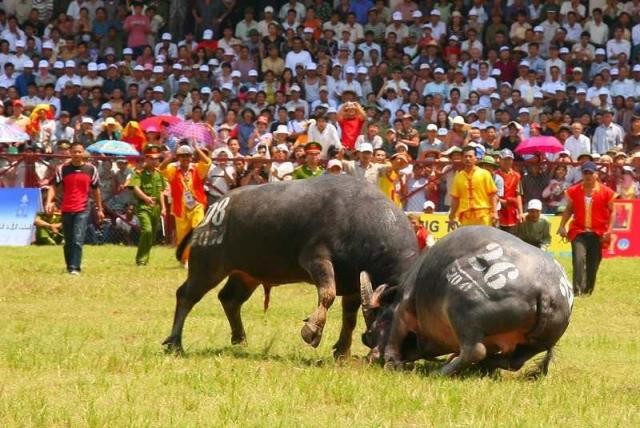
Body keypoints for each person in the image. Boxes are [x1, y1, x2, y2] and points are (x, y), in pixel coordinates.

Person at [557, 161, 616, 296]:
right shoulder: (574, 191)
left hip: (598, 233)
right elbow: (569, 210)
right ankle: (576, 290)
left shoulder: (606, 192)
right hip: (579, 231)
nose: (588, 175)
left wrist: (610, 230)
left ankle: (588, 290)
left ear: (596, 174)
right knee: (578, 259)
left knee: (593, 263)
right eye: (585, 173)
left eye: (591, 172)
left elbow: (614, 212)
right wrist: (561, 226)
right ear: (582, 174)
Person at [45, 142, 104, 275]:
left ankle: (75, 268)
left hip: (83, 208)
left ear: (83, 153)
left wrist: (100, 209)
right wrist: (49, 201)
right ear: (70, 153)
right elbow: (53, 186)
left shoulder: (91, 169)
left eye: (79, 152)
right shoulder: (62, 169)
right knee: (69, 240)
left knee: (78, 238)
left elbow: (96, 190)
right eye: (74, 152)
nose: (77, 154)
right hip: (66, 208)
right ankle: (69, 265)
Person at [160, 143, 211, 266]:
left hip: (196, 204)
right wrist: (171, 156)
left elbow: (208, 162)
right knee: (183, 237)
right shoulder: (173, 170)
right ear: (178, 157)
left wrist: (198, 149)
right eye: (182, 156)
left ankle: (197, 256)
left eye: (187, 156)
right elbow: (161, 168)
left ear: (191, 157)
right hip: (180, 208)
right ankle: (185, 259)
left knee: (197, 227)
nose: (185, 159)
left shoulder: (197, 168)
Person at [130, 145, 167, 266]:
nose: (154, 161)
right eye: (151, 158)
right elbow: (135, 188)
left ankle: (144, 259)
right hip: (143, 207)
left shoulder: (159, 174)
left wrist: (164, 208)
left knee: (151, 235)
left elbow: (161, 191)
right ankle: (140, 259)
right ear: (146, 158)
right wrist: (146, 198)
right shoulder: (138, 173)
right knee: (147, 231)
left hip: (156, 208)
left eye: (156, 158)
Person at [449, 145, 498, 226]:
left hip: (483, 215)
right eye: (465, 157)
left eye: (470, 156)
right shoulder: (458, 177)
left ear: (475, 158)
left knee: (484, 238)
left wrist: (494, 212)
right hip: (465, 217)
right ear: (462, 159)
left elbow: (493, 194)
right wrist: (452, 216)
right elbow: (455, 199)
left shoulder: (484, 174)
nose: (468, 159)